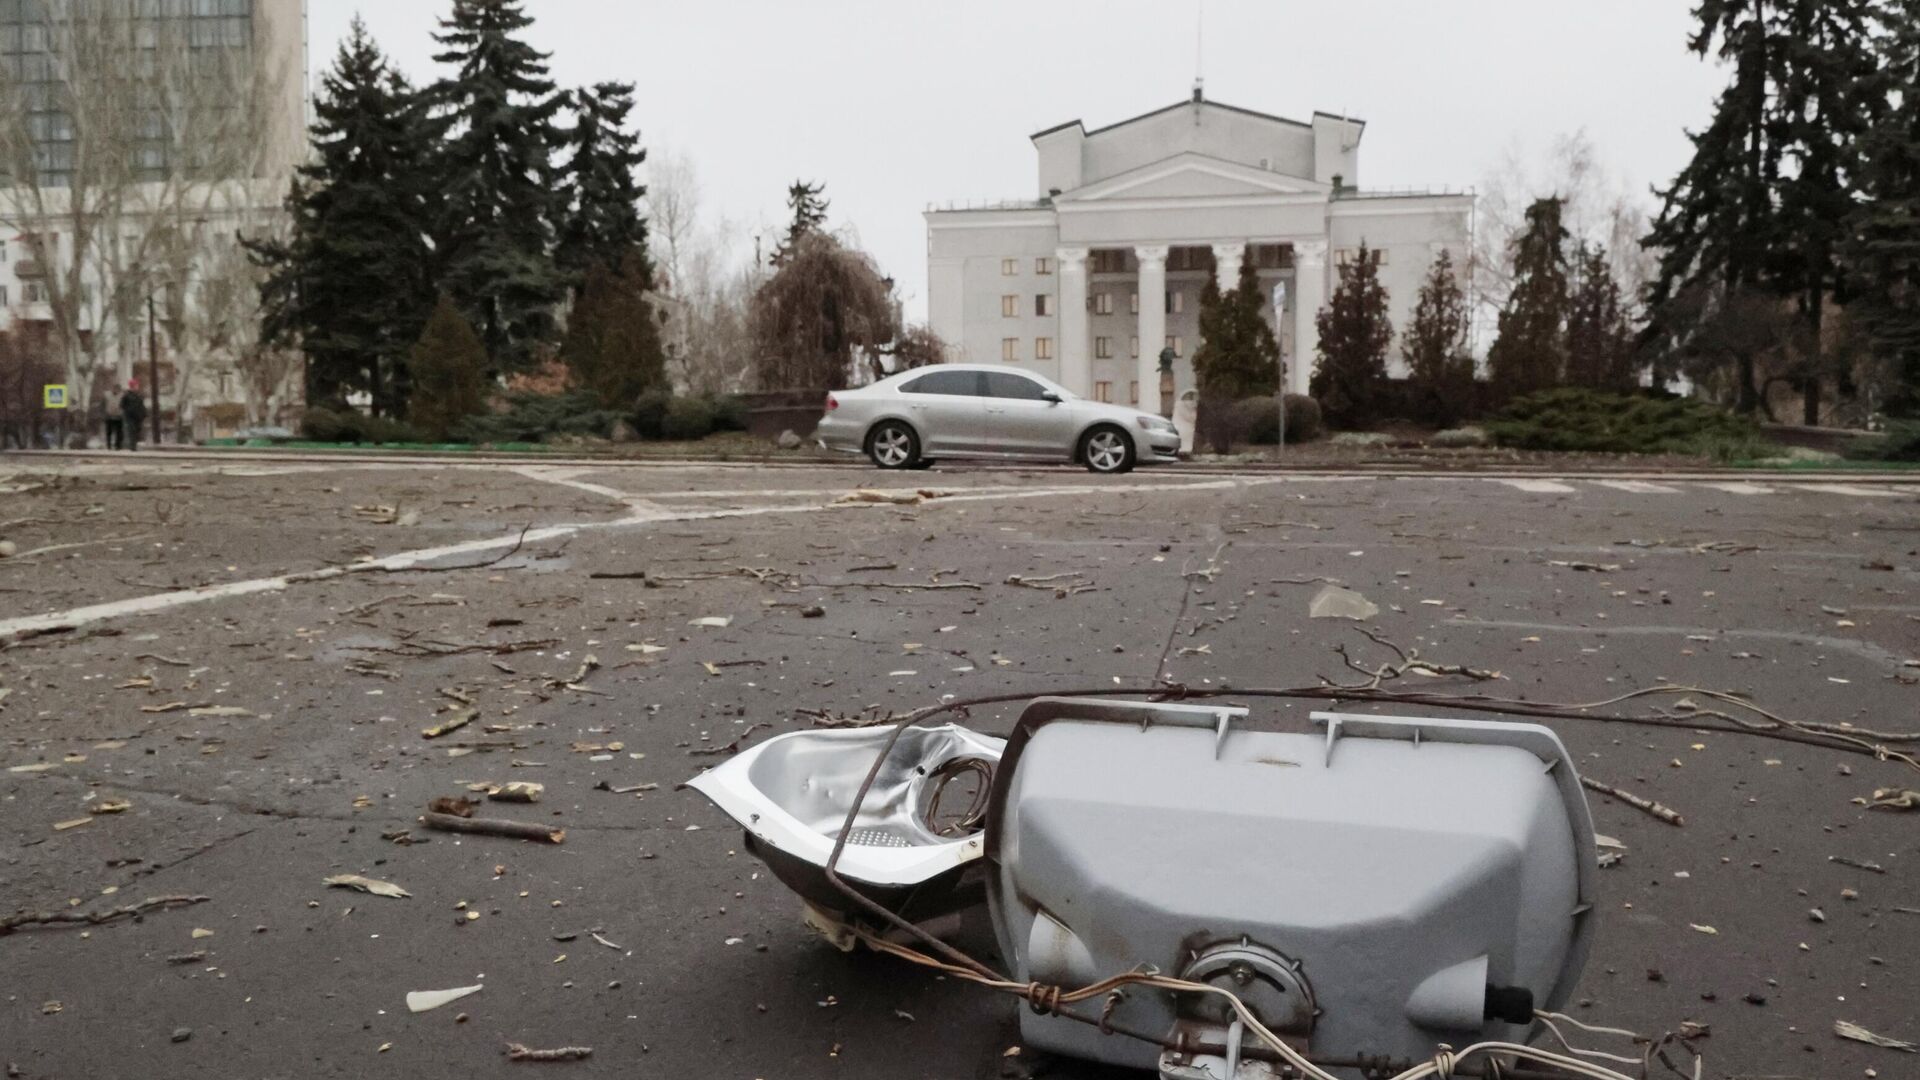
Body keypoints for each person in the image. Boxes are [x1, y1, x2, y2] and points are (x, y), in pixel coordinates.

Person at [121, 380, 148, 451]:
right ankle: (132, 446)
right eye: (136, 386)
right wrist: (129, 411)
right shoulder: (127, 395)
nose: (137, 387)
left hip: (138, 417)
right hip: (130, 417)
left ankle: (135, 445)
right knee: (132, 431)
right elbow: (122, 405)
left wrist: (144, 414)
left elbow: (141, 405)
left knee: (137, 431)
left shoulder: (139, 395)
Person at [104, 382, 125, 450]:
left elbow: (124, 405)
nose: (116, 390)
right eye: (115, 388)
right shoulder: (107, 395)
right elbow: (103, 405)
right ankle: (109, 445)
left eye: (117, 389)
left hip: (119, 416)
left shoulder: (122, 395)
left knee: (119, 432)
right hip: (109, 416)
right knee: (109, 432)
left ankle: (118, 446)